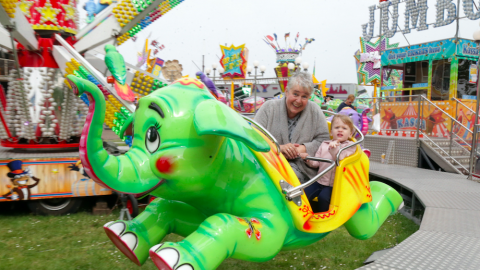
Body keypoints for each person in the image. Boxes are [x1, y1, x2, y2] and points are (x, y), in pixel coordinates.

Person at [254, 72, 329, 183]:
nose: (298, 100)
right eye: (295, 94)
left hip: (303, 171)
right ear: (286, 91)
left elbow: (324, 140)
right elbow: (254, 137)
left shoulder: (314, 111)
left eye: (304, 96)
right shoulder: (268, 108)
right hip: (269, 165)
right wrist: (278, 148)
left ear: (309, 97)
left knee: (284, 180)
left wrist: (301, 149)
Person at [299, 114, 357, 212]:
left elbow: (340, 158)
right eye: (337, 127)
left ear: (350, 134)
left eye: (344, 128)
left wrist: (334, 148)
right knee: (303, 194)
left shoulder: (350, 146)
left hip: (334, 184)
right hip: (320, 181)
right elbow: (316, 163)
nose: (340, 130)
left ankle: (323, 219)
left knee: (323, 198)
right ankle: (304, 216)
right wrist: (307, 159)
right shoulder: (324, 144)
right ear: (331, 132)